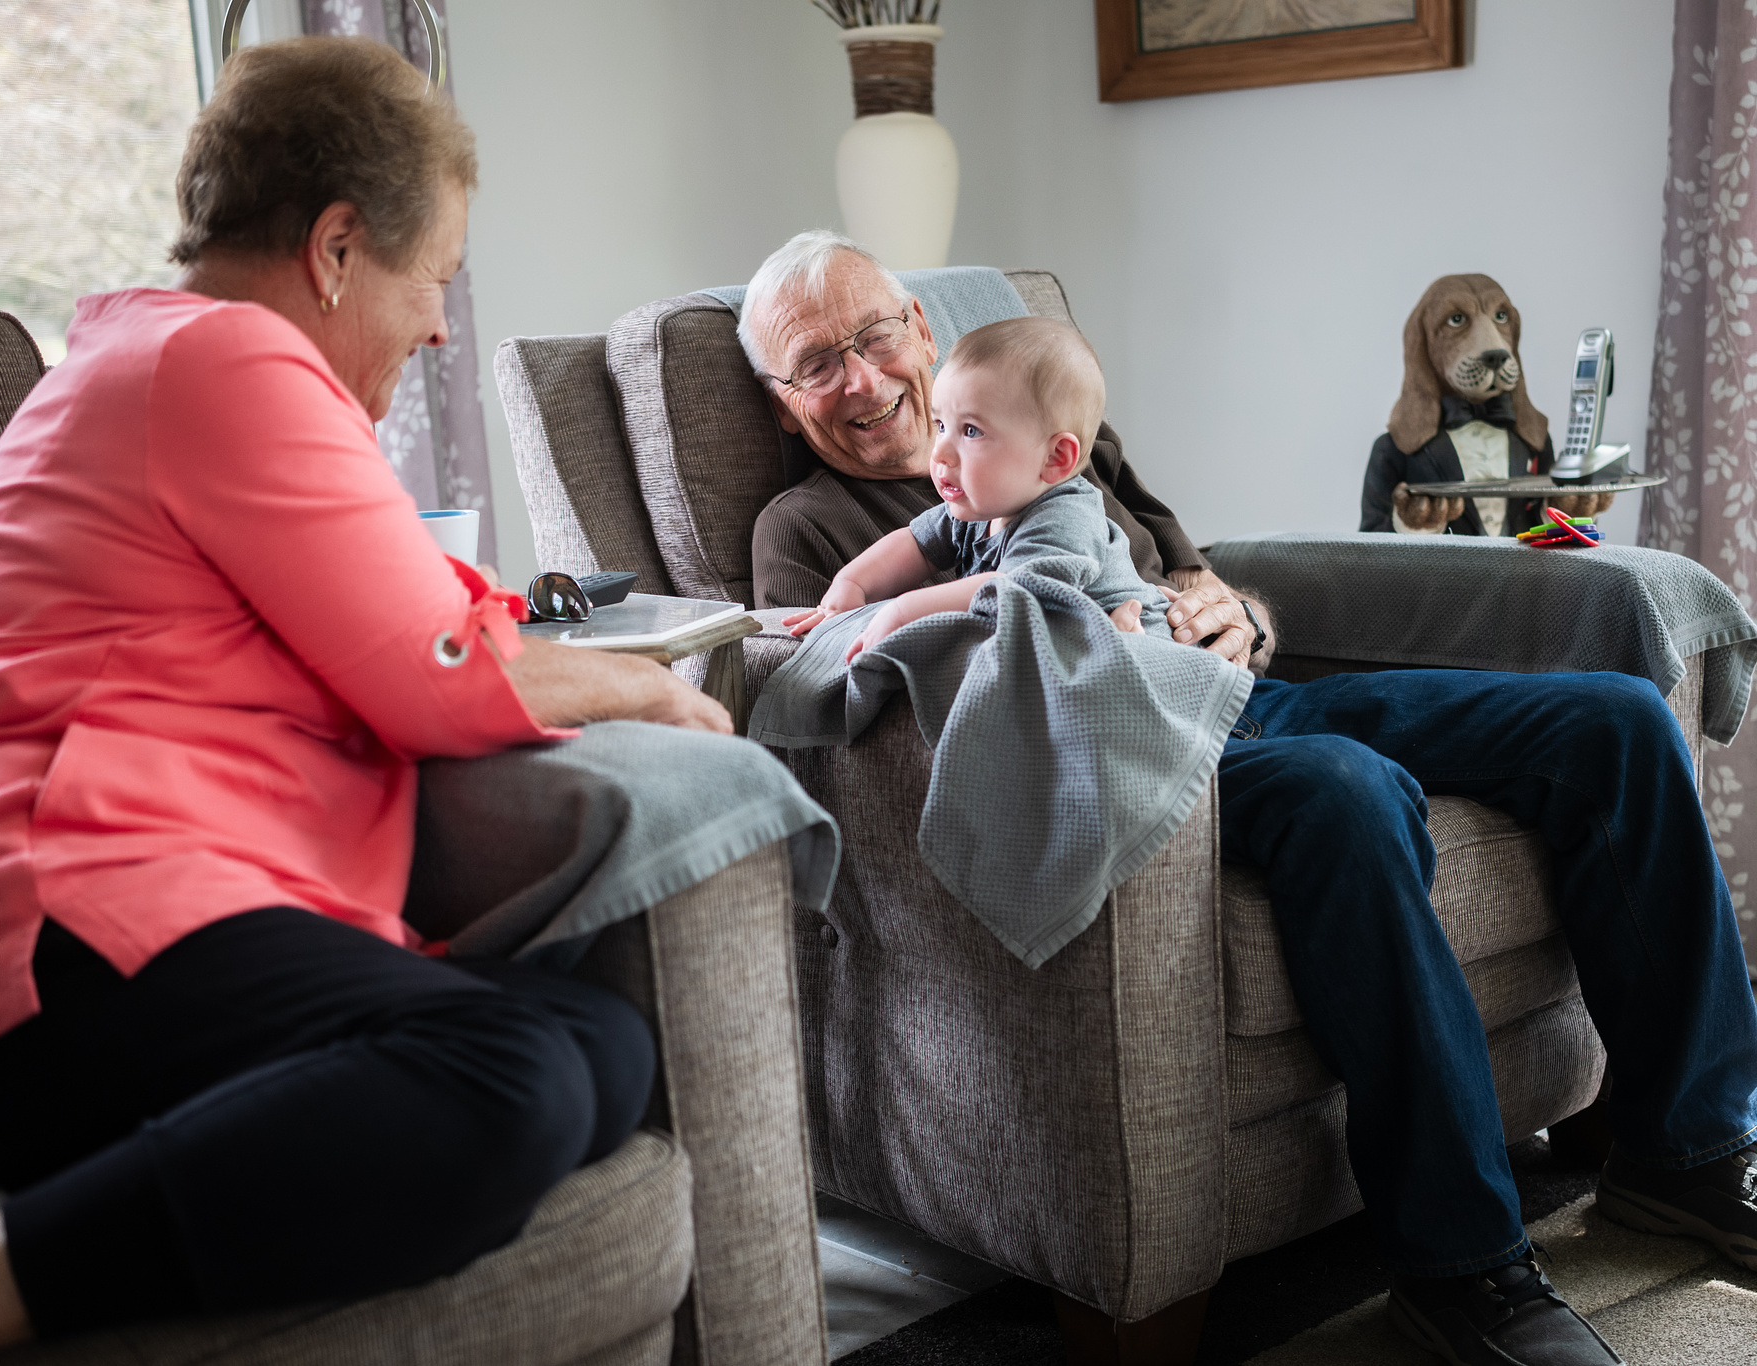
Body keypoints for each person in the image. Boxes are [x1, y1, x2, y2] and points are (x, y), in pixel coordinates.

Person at [0, 38, 726, 1366]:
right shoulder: (228, 362)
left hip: (44, 955)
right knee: (514, 1071)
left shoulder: (156, 365)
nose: (434, 326)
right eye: (434, 282)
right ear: (338, 247)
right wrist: (650, 686)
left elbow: (415, 616)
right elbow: (434, 671)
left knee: (598, 1042)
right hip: (18, 929)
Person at [737, 230, 1757, 1366]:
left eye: (874, 335)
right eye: (815, 363)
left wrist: (1239, 616)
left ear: (917, 329)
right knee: (1348, 790)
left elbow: (1196, 573)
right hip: (1134, 751)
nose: (863, 379)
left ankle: (1691, 1156)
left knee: (1613, 717)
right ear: (784, 406)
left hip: (1242, 699)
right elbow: (832, 701)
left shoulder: (1064, 438)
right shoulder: (808, 528)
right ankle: (1464, 1267)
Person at [785, 315, 1169, 663]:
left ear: (1055, 458)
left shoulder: (1067, 517)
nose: (940, 453)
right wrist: (851, 587)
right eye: (940, 426)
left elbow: (1013, 592)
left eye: (971, 431)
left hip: (1172, 678)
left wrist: (901, 611)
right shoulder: (981, 507)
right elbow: (914, 545)